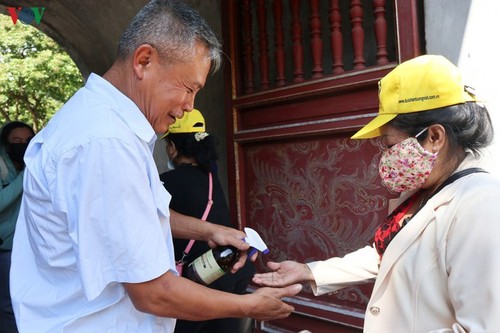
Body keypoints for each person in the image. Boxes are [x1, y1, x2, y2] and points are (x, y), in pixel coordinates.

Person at [9, 1, 301, 332]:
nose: (189, 107)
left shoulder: (106, 127)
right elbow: (153, 293)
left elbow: (136, 216)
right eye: (189, 88)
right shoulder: (105, 143)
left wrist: (210, 231)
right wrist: (249, 305)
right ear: (144, 60)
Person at [252, 55, 500, 332]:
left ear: (435, 137)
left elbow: (481, 328)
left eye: (390, 144)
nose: (385, 156)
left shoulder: (480, 205)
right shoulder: (427, 192)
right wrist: (310, 271)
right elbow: (386, 254)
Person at [160, 108, 256, 333]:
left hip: (198, 282)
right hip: (229, 270)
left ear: (172, 148)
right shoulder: (212, 178)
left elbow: (153, 221)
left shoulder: (165, 182)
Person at [0, 121, 35, 333]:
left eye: (27, 141)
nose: (22, 145)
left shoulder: (35, 165)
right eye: (16, 141)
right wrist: (25, 176)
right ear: (6, 143)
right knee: (8, 306)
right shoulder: (4, 167)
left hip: (30, 248)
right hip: (5, 248)